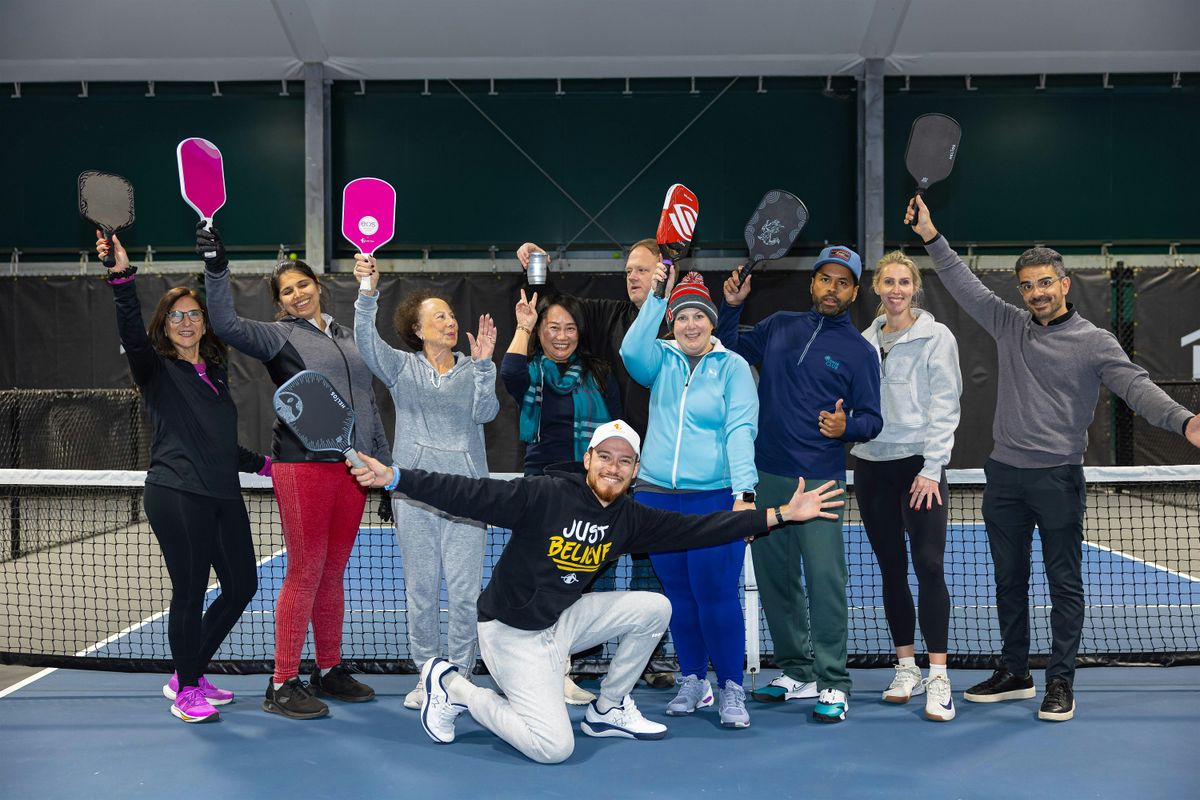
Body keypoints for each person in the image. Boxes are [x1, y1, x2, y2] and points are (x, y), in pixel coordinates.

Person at [347, 420, 845, 764]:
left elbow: (700, 528)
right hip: (510, 632)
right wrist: (396, 477)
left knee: (655, 607)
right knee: (552, 748)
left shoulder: (629, 518)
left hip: (561, 622)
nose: (613, 467)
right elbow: (468, 493)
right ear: (588, 459)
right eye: (605, 456)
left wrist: (781, 514)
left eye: (625, 461)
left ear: (635, 471)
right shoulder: (543, 494)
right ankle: (454, 687)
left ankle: (608, 709)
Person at [906, 195, 1200, 722]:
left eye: (1045, 282)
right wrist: (931, 235)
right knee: (1008, 581)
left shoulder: (1095, 342)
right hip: (1004, 478)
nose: (1037, 292)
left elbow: (1137, 388)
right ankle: (1015, 671)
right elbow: (961, 282)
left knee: (1064, 584)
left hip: (1058, 479)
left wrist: (1185, 421)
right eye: (1027, 285)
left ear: (1064, 284)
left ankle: (1060, 681)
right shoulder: (1008, 323)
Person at [198, 224, 391, 720]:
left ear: (317, 285)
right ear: (280, 302)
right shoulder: (275, 336)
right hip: (302, 466)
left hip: (355, 470)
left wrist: (383, 464)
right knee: (305, 570)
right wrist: (216, 267)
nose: (297, 294)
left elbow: (367, 401)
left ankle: (328, 668)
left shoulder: (349, 335)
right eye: (287, 291)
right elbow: (223, 322)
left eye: (303, 284)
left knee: (333, 572)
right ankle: (281, 681)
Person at [98, 232, 267, 724]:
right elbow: (132, 334)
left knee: (242, 585)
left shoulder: (215, 373)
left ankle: (186, 671)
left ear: (204, 322)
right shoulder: (155, 370)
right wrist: (121, 277)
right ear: (164, 326)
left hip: (222, 494)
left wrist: (266, 466)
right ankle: (188, 690)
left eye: (193, 313)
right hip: (176, 493)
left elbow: (220, 443)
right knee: (190, 592)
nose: (186, 321)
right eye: (176, 315)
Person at [717, 245, 883, 723]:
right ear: (812, 283)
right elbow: (727, 349)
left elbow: (872, 420)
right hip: (766, 475)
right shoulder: (778, 325)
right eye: (825, 279)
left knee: (826, 582)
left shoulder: (860, 352)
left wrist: (846, 426)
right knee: (776, 581)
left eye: (842, 283)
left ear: (854, 292)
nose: (832, 289)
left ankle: (833, 681)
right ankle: (797, 670)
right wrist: (731, 306)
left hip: (821, 483)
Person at [517, 240, 678, 690]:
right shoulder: (609, 315)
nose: (632, 277)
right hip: (609, 469)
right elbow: (559, 310)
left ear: (665, 273)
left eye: (642, 270)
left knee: (651, 567)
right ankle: (586, 654)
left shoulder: (683, 321)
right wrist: (536, 269)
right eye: (629, 271)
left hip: (660, 470)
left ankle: (651, 657)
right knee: (595, 561)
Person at [352, 255, 500, 711]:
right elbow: (365, 341)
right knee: (421, 591)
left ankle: (460, 680)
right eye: (439, 317)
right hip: (414, 494)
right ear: (417, 329)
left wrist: (484, 367)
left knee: (465, 594)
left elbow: (486, 413)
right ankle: (427, 675)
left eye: (451, 315)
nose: (450, 322)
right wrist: (366, 293)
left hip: (468, 496)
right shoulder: (401, 368)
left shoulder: (473, 368)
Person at [618, 268, 759, 728]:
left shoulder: (733, 367)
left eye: (699, 316)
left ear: (712, 322)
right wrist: (657, 296)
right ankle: (694, 679)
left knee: (715, 595)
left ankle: (731, 687)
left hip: (713, 499)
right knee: (678, 596)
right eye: (682, 317)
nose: (691, 324)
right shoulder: (659, 358)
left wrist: (744, 493)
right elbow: (630, 352)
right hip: (657, 497)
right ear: (672, 322)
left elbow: (741, 429)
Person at [850, 250, 962, 722]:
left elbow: (946, 402)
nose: (896, 290)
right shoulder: (862, 341)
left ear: (914, 288)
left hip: (919, 466)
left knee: (929, 566)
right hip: (871, 466)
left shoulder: (937, 336)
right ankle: (906, 668)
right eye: (888, 282)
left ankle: (939, 676)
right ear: (877, 287)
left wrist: (932, 467)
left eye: (904, 282)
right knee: (891, 570)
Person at [501, 289, 621, 476]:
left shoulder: (599, 373)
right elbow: (510, 372)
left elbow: (617, 429)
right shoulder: (531, 373)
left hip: (589, 480)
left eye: (570, 328)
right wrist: (524, 327)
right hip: (541, 479)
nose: (562, 337)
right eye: (554, 328)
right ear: (538, 330)